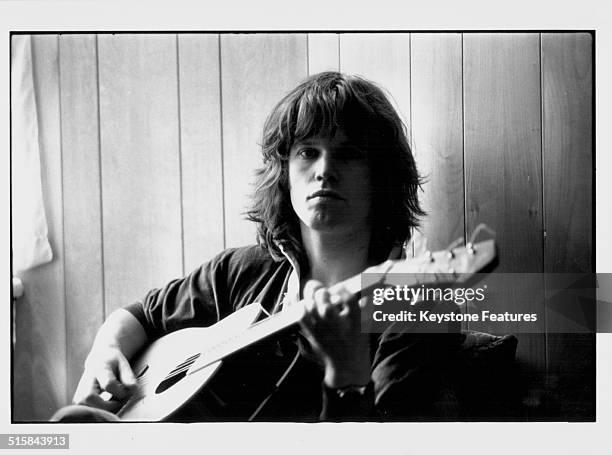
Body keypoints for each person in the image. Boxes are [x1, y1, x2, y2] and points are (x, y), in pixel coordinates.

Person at [52, 71, 462, 423]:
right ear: (284, 172)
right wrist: (102, 353)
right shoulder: (241, 272)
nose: (324, 171)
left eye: (349, 154)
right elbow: (142, 315)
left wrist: (347, 370)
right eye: (307, 152)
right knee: (68, 425)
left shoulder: (420, 303)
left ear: (382, 177)